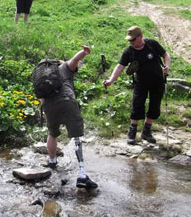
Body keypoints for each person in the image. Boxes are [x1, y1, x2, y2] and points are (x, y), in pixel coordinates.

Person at [40, 45, 98, 189]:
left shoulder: (42, 78)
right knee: (76, 136)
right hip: (67, 102)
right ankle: (82, 174)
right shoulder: (65, 67)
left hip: (49, 106)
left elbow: (41, 99)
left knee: (52, 133)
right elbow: (76, 58)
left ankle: (52, 161)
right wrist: (85, 52)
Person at [103, 26, 170, 145]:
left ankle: (146, 131)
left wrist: (167, 66)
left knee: (155, 106)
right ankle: (132, 132)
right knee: (137, 105)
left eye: (133, 40)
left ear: (140, 36)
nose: (131, 42)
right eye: (129, 40)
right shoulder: (129, 52)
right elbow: (120, 67)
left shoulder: (152, 44)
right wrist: (110, 80)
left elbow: (166, 55)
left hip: (157, 81)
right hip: (141, 83)